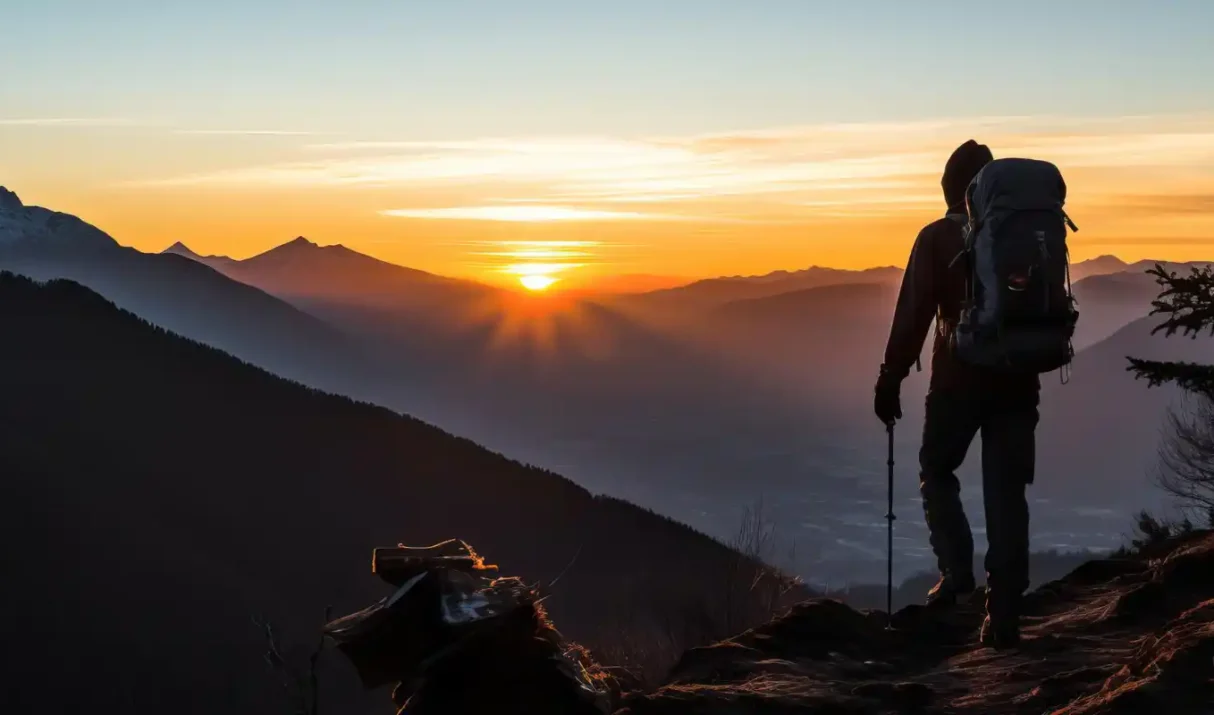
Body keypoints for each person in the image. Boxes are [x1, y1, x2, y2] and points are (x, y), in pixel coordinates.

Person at [873, 139, 1040, 649]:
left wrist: (891, 377)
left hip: (956, 382)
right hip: (1017, 379)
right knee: (1007, 493)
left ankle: (956, 571)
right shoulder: (1025, 237)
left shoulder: (937, 239)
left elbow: (913, 316)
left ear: (948, 188)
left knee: (937, 469)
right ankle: (1005, 614)